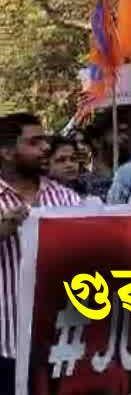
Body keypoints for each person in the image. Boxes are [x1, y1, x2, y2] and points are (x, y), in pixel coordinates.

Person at [0, 114, 81, 389]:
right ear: (8, 152)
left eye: (44, 140)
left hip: (61, 343)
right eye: (34, 142)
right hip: (6, 346)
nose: (46, 147)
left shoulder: (67, 199)